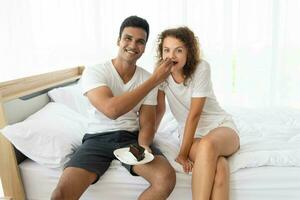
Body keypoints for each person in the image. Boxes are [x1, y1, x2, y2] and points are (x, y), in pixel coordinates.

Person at [51, 16, 176, 200]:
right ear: (118, 41)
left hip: (131, 139)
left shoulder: (147, 78)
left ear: (144, 48)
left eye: (140, 41)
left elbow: (148, 122)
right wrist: (153, 81)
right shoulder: (95, 72)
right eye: (128, 38)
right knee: (61, 194)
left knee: (166, 179)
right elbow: (112, 110)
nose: (133, 45)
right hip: (97, 139)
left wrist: (144, 146)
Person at [155, 27, 240, 200]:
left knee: (208, 144)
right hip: (192, 137)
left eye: (178, 50)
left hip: (220, 126)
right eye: (167, 50)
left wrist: (183, 154)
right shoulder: (161, 72)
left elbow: (194, 115)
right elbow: (159, 109)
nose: (171, 56)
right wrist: (146, 139)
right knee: (221, 166)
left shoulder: (201, 68)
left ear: (189, 52)